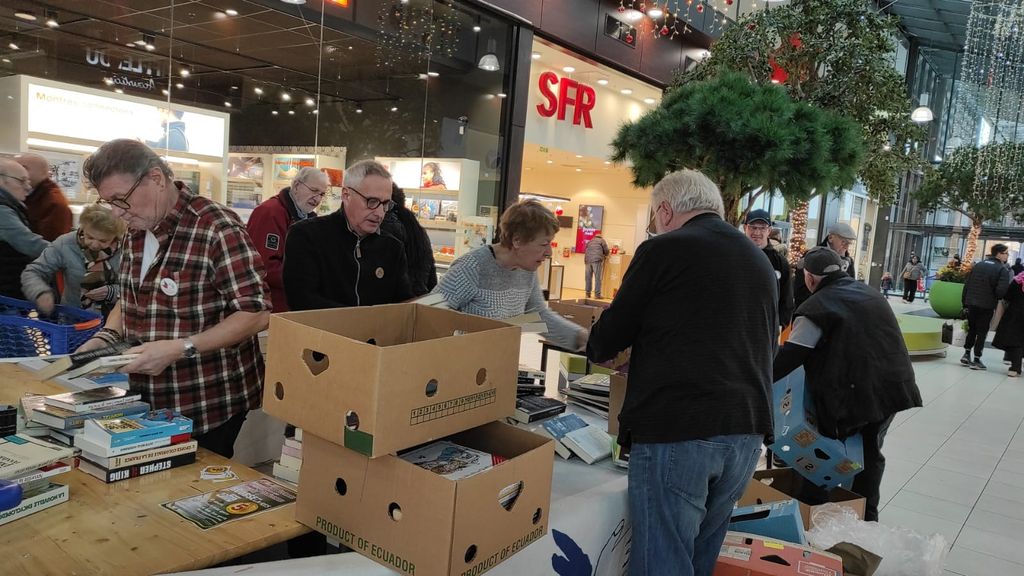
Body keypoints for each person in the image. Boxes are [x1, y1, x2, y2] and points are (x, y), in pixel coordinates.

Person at [586, 170, 776, 576]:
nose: (655, 225)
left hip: (681, 427)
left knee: (663, 561)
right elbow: (730, 337)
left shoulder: (664, 249)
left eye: (655, 217)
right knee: (700, 555)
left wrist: (600, 347)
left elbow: (615, 329)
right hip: (747, 428)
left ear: (667, 210)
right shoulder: (758, 259)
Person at [76, 139, 270, 459]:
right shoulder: (138, 227)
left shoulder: (216, 227)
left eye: (120, 200)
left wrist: (181, 348)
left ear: (156, 179)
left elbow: (255, 312)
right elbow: (132, 296)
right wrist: (106, 338)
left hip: (207, 402)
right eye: (107, 202)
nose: (116, 212)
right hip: (149, 398)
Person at [773, 246, 922, 522]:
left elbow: (792, 355)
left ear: (810, 278)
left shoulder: (816, 308)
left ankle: (813, 511)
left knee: (823, 449)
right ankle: (865, 516)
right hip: (894, 389)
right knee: (869, 450)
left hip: (858, 394)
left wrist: (758, 378)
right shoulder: (870, 292)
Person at [435, 200, 587, 351]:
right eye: (543, 244)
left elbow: (537, 316)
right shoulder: (471, 267)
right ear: (517, 241)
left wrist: (580, 338)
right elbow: (427, 314)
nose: (549, 252)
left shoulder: (527, 271)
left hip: (500, 364)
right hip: (462, 367)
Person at [283, 160, 412, 310]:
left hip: (378, 333)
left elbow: (402, 303)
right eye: (372, 201)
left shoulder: (393, 248)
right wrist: (362, 322)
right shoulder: (306, 236)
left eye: (385, 204)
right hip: (320, 332)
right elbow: (302, 300)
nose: (379, 213)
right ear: (346, 195)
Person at [21, 204, 125, 317]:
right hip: (72, 318)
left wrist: (113, 292)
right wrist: (40, 292)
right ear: (83, 228)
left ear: (115, 236)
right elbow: (32, 272)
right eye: (90, 237)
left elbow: (140, 289)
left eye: (103, 241)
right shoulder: (65, 244)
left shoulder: (127, 248)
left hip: (114, 319)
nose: (94, 245)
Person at [246, 167, 327, 312]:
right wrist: (307, 279)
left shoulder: (309, 219)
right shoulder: (270, 212)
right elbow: (263, 266)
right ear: (296, 186)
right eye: (314, 191)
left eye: (322, 194)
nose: (318, 199)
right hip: (270, 308)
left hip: (294, 306)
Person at [0, 158, 49, 299]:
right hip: (6, 294)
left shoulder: (10, 206)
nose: (28, 187)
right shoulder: (2, 210)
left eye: (28, 181)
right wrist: (65, 252)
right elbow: (30, 243)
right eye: (22, 181)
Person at [960, 244, 1012, 370]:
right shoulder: (1002, 269)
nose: (1007, 256)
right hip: (987, 305)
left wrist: (965, 302)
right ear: (999, 254)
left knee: (972, 329)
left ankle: (966, 354)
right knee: (982, 332)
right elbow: (1001, 291)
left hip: (971, 302)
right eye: (1006, 253)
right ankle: (977, 359)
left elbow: (967, 285)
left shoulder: (979, 265)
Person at [380, 184, 437, 297]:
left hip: (395, 303)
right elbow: (431, 275)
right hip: (418, 298)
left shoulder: (384, 227)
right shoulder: (415, 228)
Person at [745, 209, 794, 328]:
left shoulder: (779, 262)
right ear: (745, 228)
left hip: (767, 327)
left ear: (769, 231)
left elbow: (786, 299)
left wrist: (778, 326)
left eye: (762, 228)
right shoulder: (735, 256)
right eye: (753, 227)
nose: (757, 232)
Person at [794, 222, 857, 309]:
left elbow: (851, 287)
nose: (846, 247)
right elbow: (800, 288)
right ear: (831, 238)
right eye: (843, 242)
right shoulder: (812, 256)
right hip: (812, 308)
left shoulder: (848, 261)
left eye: (849, 244)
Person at [14, 153, 72, 242]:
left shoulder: (54, 202)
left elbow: (52, 243)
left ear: (43, 172)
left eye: (24, 168)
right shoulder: (26, 194)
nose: (17, 172)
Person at [993, 268, 1024, 378]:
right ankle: (1016, 367)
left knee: (1015, 340)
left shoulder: (1018, 280)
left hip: (1016, 314)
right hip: (1017, 314)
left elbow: (1007, 296)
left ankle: (1015, 368)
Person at [583, 233, 609, 299]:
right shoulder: (602, 240)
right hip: (596, 260)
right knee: (597, 278)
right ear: (601, 237)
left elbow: (585, 249)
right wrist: (606, 254)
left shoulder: (590, 241)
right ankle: (597, 295)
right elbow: (606, 250)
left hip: (588, 260)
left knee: (588, 277)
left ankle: (587, 294)